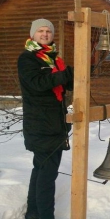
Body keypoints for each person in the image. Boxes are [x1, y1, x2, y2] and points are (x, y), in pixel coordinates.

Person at [18, 19, 73, 219]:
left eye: (48, 31)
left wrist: (78, 75)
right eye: (40, 31)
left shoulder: (53, 59)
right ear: (33, 35)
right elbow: (38, 83)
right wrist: (64, 75)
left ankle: (33, 214)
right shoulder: (27, 59)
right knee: (47, 175)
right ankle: (45, 216)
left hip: (54, 124)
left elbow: (63, 83)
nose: (45, 34)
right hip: (40, 124)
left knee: (41, 169)